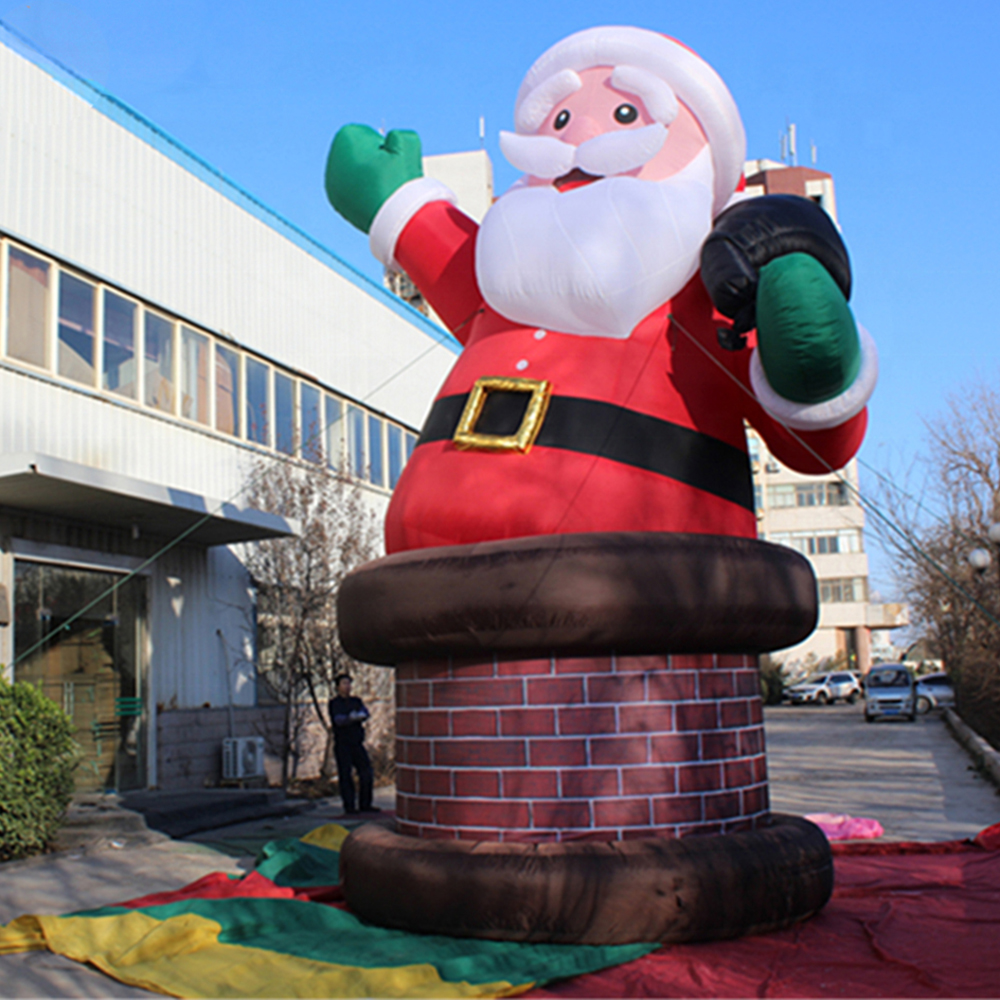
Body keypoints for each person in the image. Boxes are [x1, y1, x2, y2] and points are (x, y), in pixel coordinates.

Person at [325, 25, 876, 553]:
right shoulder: (505, 282)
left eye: (625, 115)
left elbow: (817, 445)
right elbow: (444, 252)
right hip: (430, 582)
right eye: (561, 119)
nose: (579, 140)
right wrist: (397, 201)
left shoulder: (708, 305)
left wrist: (806, 338)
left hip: (647, 582)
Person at [328, 674, 376, 814]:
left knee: (366, 772)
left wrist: (357, 716)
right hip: (343, 744)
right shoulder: (335, 703)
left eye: (349, 683)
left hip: (357, 743)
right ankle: (349, 806)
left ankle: (365, 804)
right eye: (344, 683)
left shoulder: (356, 701)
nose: (347, 686)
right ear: (338, 687)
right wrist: (352, 718)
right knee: (345, 775)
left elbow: (365, 713)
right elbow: (339, 720)